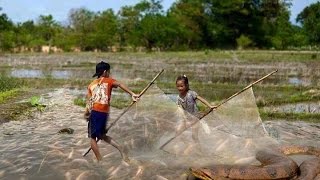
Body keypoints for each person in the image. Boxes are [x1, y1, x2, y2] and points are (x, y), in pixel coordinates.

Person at [84, 61, 139, 162]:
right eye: (109, 72)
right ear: (105, 72)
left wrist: (86, 112)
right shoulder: (109, 81)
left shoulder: (91, 85)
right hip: (104, 113)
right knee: (101, 135)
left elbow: (89, 101)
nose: (109, 74)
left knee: (92, 138)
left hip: (95, 112)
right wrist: (132, 94)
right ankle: (121, 149)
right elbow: (120, 84)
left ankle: (100, 161)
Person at [175, 74, 217, 141]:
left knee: (194, 136)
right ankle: (186, 145)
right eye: (178, 86)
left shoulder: (191, 93)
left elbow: (201, 99)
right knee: (178, 131)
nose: (180, 88)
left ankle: (198, 149)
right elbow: (180, 108)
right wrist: (185, 119)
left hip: (195, 117)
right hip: (186, 118)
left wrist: (210, 106)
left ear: (186, 85)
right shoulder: (178, 97)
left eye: (181, 86)